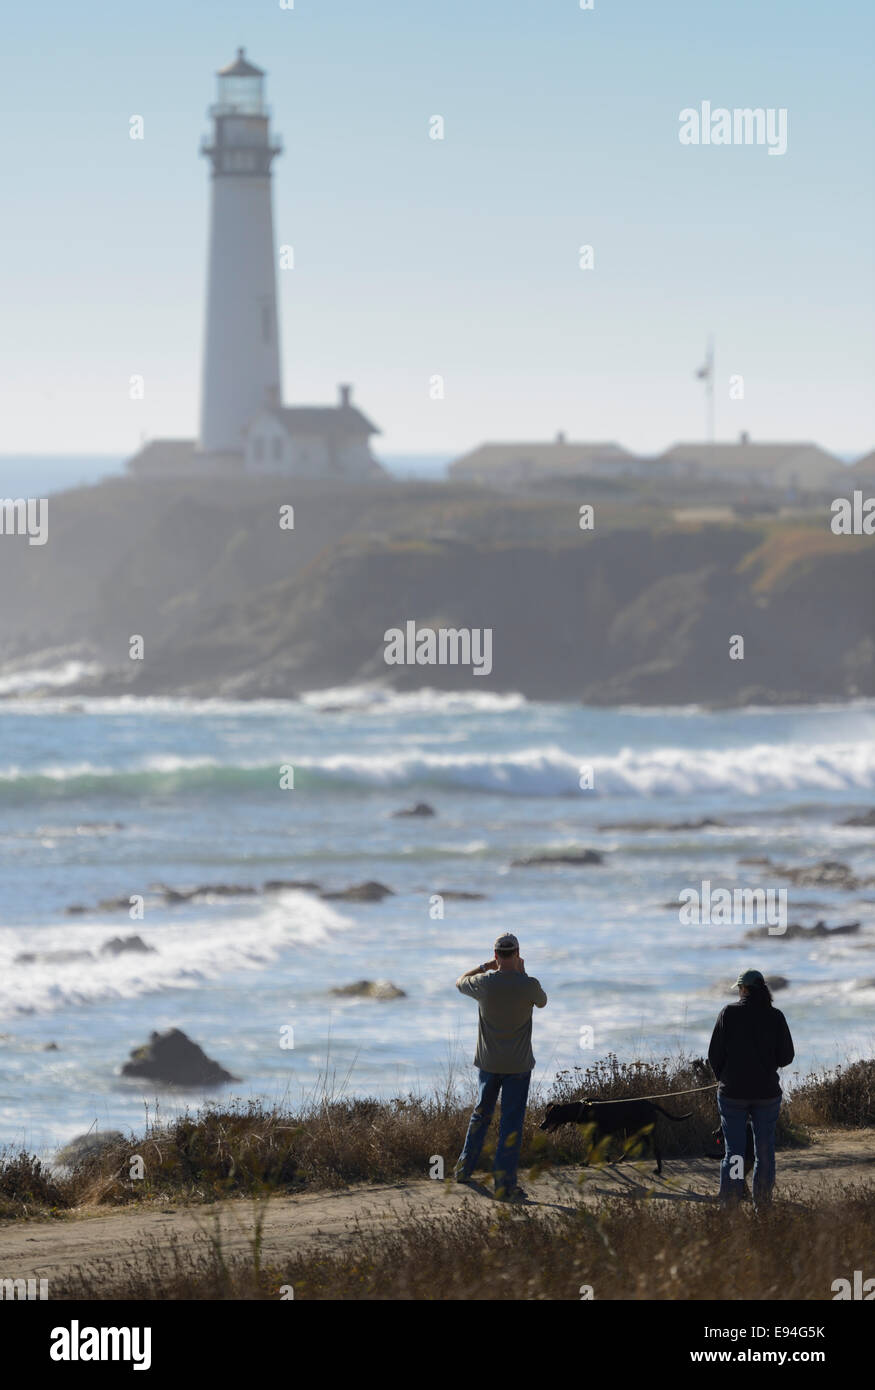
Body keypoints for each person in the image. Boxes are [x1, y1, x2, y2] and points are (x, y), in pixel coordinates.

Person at [453, 933, 547, 1201]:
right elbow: (542, 1001)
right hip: (518, 1065)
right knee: (511, 1124)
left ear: (496, 956)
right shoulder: (529, 985)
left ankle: (464, 1168)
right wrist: (523, 972)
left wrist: (484, 967)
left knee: (481, 1114)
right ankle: (504, 1185)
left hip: (489, 1063)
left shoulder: (484, 983)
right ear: (517, 954)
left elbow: (459, 982)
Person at [708, 968, 794, 1210]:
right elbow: (787, 1056)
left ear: (743, 989)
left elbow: (714, 1054)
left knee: (734, 1152)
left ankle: (731, 1205)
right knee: (764, 1152)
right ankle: (763, 1207)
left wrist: (723, 1078)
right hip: (766, 1094)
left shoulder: (728, 1013)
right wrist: (767, 1064)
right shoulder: (775, 1016)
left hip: (732, 1094)